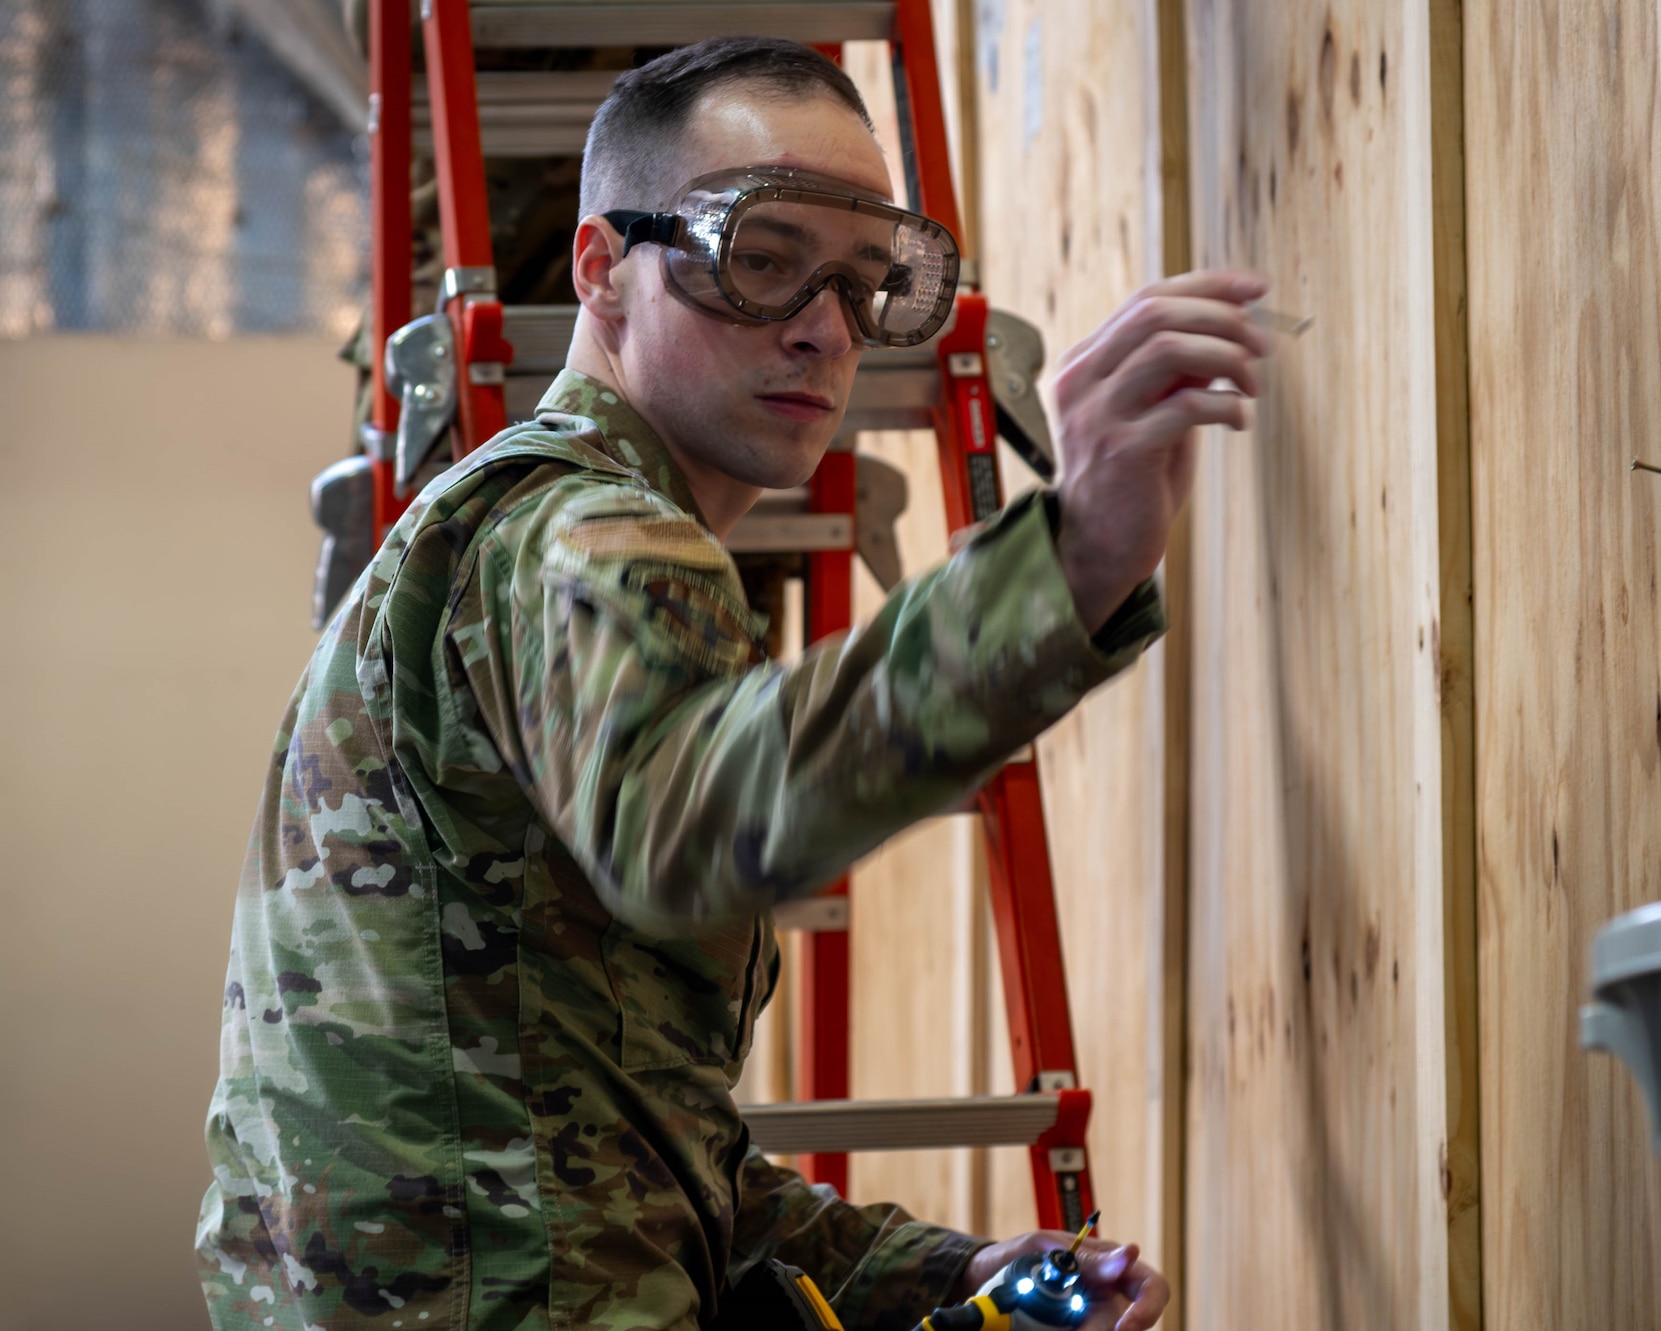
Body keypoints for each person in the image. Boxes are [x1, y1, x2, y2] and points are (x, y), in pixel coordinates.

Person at [196, 35, 1268, 1331]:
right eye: (762, 260)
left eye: (868, 284)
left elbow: (618, 1160)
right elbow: (687, 828)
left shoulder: (506, 538)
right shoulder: (578, 530)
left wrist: (949, 1274)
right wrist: (1070, 560)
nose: (825, 328)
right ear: (602, 271)